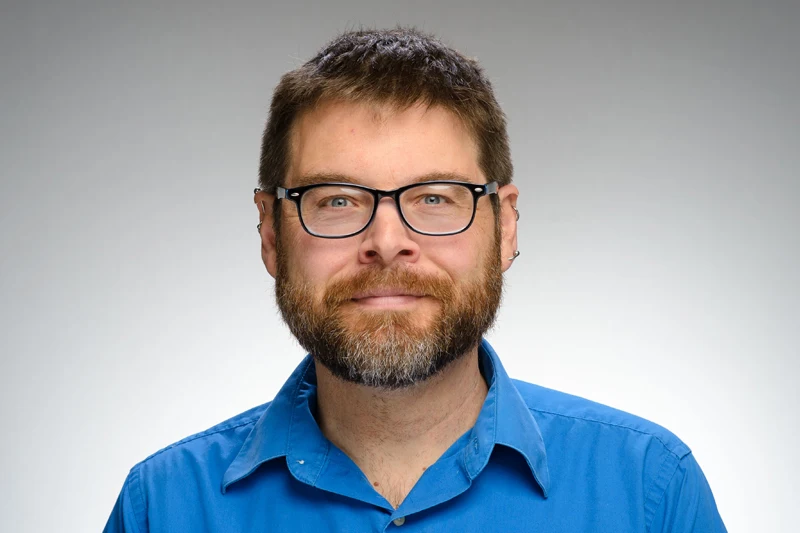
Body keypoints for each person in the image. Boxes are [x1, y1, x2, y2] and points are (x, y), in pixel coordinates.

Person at [104, 28, 726, 532]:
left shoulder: (650, 491)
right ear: (271, 232)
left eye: (434, 198)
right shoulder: (162, 509)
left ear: (505, 226)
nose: (386, 242)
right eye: (337, 200)